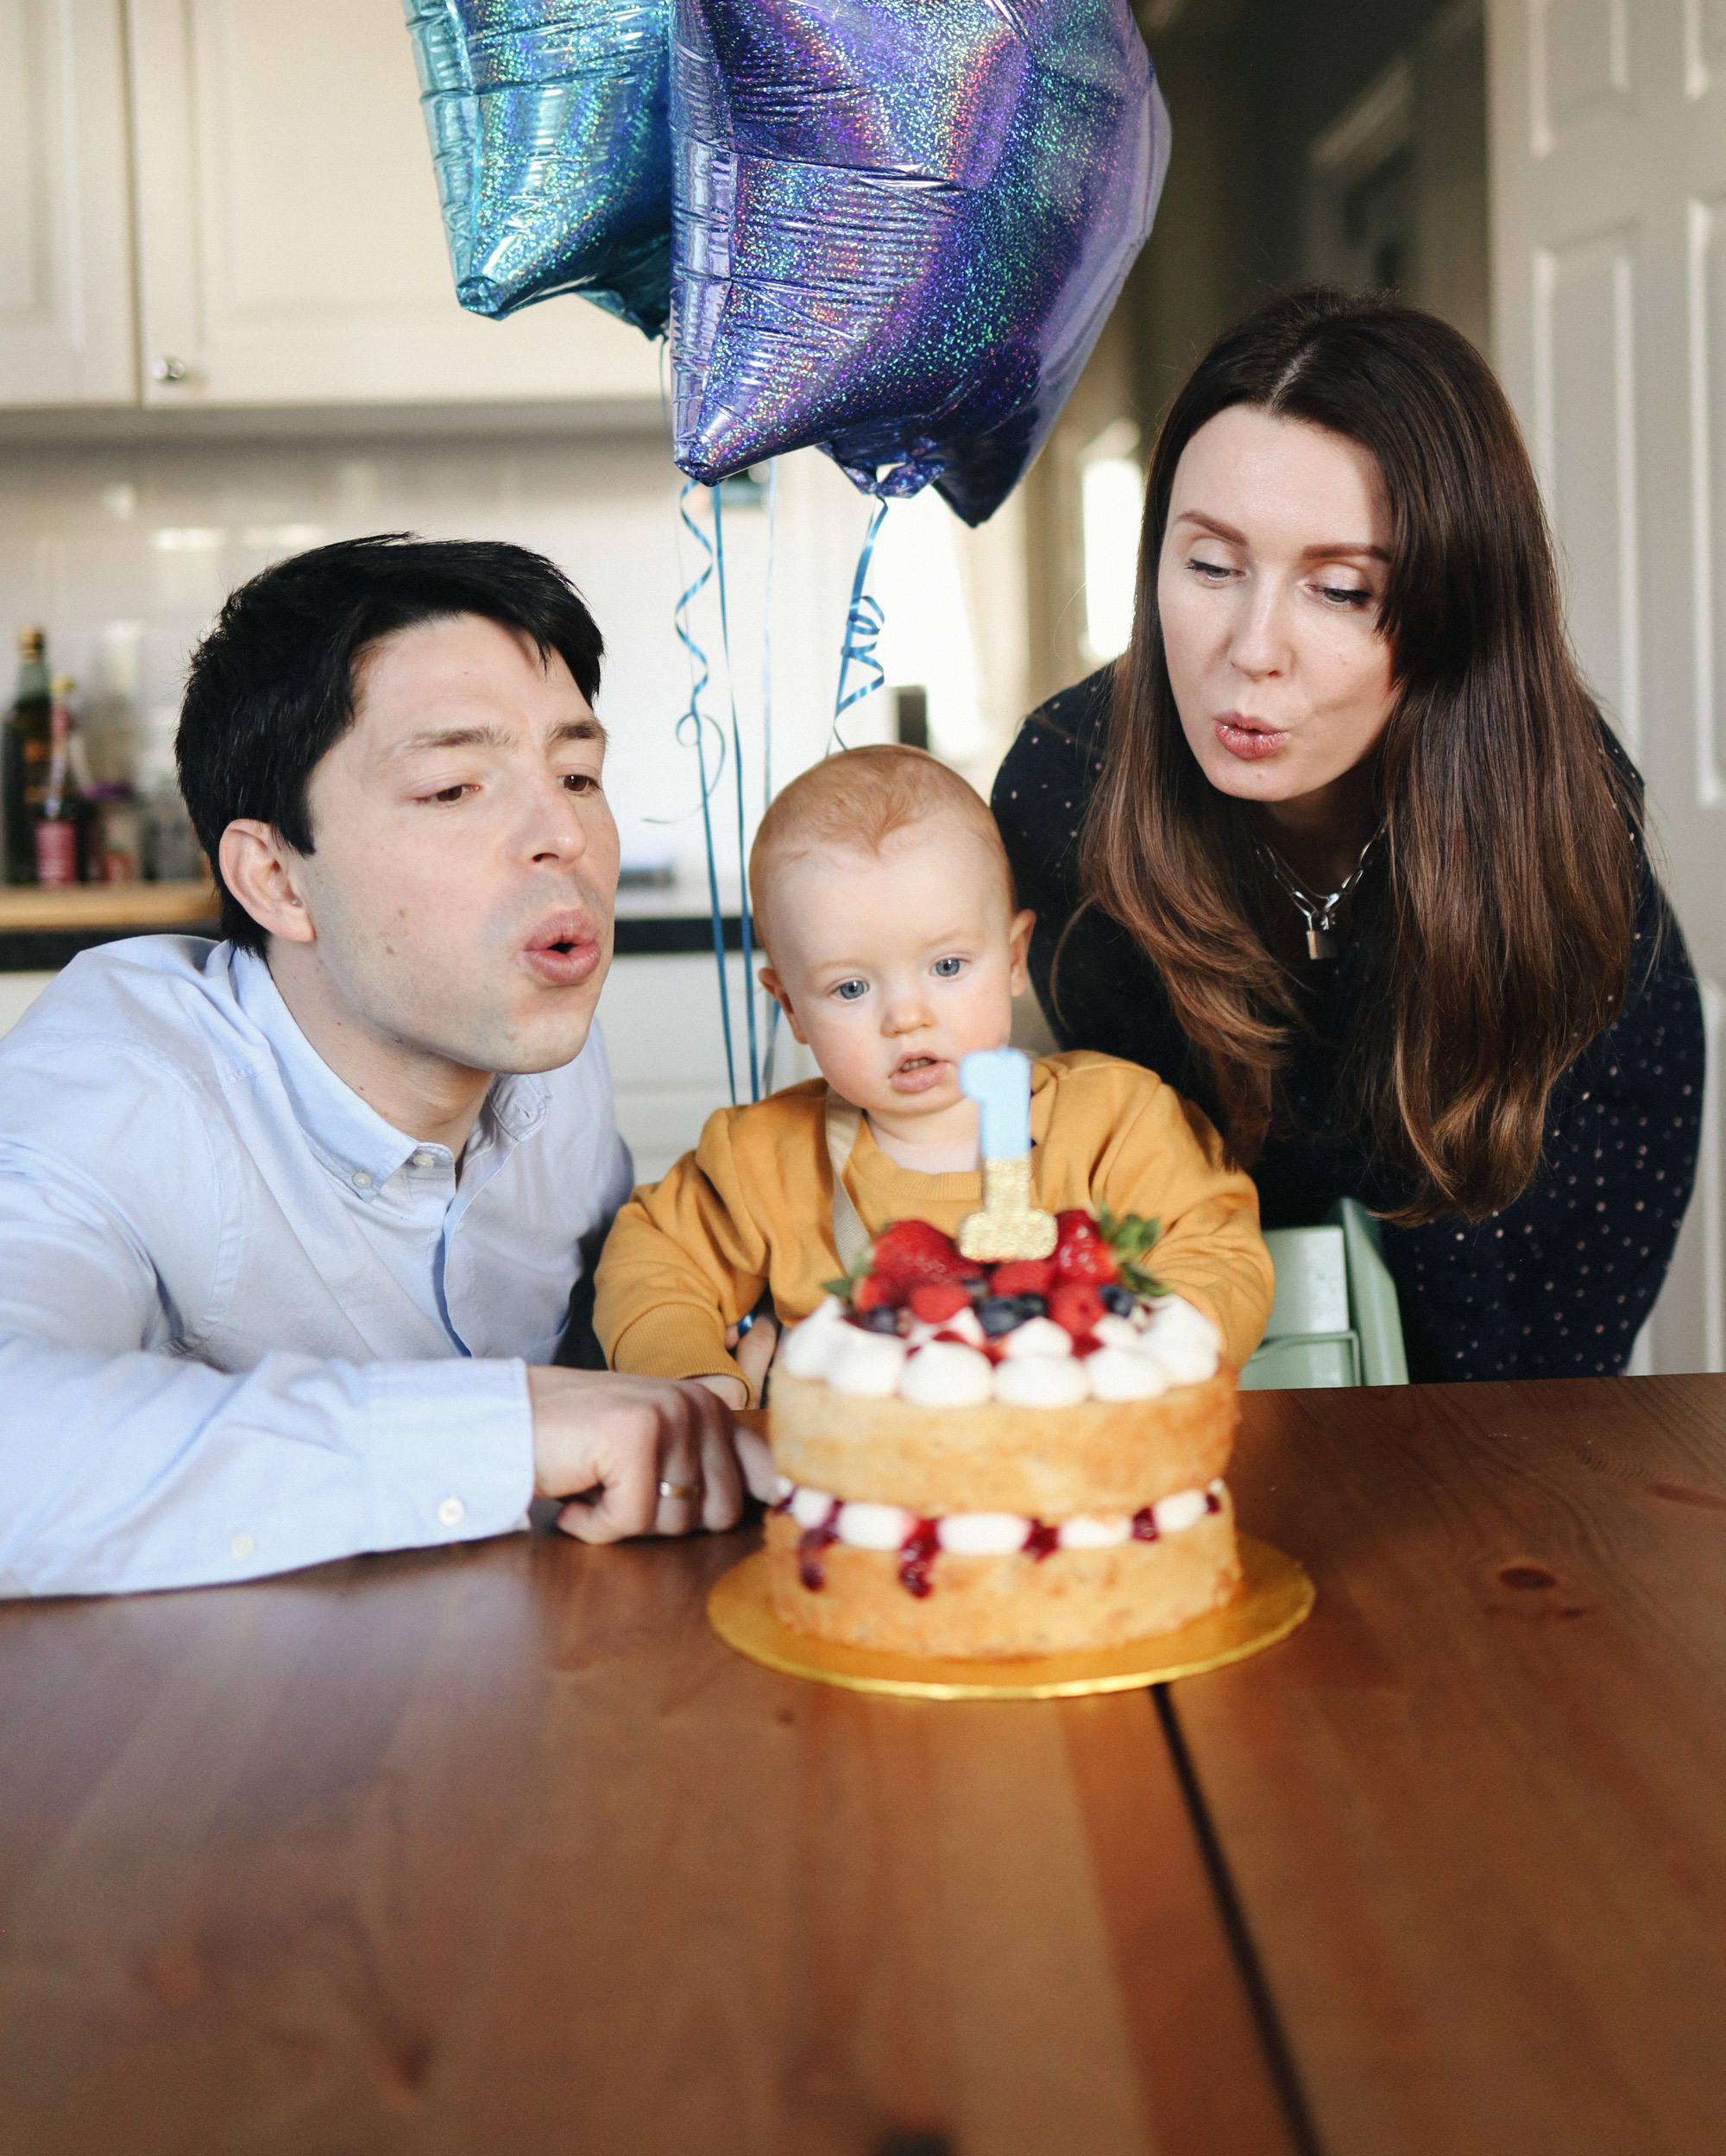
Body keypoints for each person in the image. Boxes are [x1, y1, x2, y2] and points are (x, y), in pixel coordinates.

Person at [0, 536, 772, 1598]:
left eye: (577, 774)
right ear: (277, 878)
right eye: (453, 789)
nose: (563, 835)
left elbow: (603, 1353)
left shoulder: (541, 1049)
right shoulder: (122, 1091)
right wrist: (509, 1429)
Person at [993, 285, 1704, 1381]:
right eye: (1209, 565)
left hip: (1499, 1294)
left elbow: (1556, 1335)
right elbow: (1160, 1193)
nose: (1251, 649)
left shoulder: (1557, 807)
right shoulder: (1066, 789)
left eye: (1336, 589)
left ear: (1454, 612)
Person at [592, 745, 1274, 1389]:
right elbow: (653, 1262)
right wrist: (695, 1381)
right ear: (791, 1007)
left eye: (947, 966)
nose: (906, 1017)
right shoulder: (760, 1160)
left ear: (1014, 959)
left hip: (1085, 1447)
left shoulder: (1117, 1122)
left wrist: (1149, 1361)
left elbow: (1214, 1252)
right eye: (850, 988)